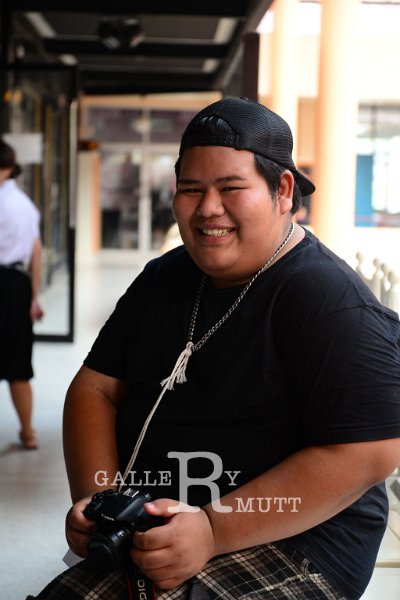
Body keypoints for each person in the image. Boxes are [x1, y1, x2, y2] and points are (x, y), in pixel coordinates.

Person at [27, 97, 400, 600]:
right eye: (191, 189)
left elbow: (370, 452)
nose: (207, 208)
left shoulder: (325, 297)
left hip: (295, 540)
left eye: (230, 188)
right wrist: (101, 503)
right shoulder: (164, 278)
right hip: (157, 520)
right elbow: (95, 389)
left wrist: (212, 529)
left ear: (282, 190)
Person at [0, 139, 44, 450]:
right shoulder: (25, 205)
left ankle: (28, 432)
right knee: (18, 366)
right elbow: (36, 253)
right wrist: (34, 297)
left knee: (17, 367)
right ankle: (28, 433)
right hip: (17, 285)